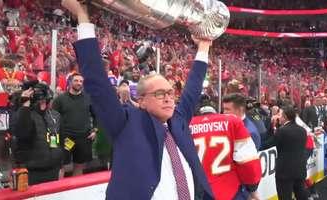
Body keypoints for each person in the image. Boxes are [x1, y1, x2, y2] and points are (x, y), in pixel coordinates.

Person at [62, 0, 213, 199]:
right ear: (141, 100)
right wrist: (82, 17)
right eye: (159, 94)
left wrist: (203, 47)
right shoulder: (126, 122)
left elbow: (193, 87)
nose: (168, 98)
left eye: (170, 93)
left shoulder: (178, 120)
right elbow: (97, 82)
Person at [189, 105, 262, 200]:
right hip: (230, 190)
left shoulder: (186, 125)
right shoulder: (233, 121)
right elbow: (248, 162)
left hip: (199, 191)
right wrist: (252, 189)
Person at [12, 82, 62, 185]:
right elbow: (22, 133)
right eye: (40, 99)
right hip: (31, 170)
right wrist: (25, 104)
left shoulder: (55, 115)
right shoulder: (23, 114)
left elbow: (63, 137)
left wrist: (62, 160)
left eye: (44, 99)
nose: (42, 102)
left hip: (53, 169)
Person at [52, 73, 97, 177]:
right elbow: (52, 118)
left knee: (79, 165)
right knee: (61, 165)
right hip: (66, 139)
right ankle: (58, 191)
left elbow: (96, 116)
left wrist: (95, 130)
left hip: (83, 138)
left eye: (81, 81)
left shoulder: (88, 98)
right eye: (76, 80)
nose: (79, 83)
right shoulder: (60, 99)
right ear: (70, 82)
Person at [222, 93, 261, 199]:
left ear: (239, 110)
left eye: (227, 109)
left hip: (239, 190)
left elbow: (247, 165)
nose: (224, 113)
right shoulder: (229, 125)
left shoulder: (249, 132)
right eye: (223, 109)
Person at [274, 106, 309, 200]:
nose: (278, 117)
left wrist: (273, 127)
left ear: (285, 116)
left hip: (285, 172)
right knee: (301, 195)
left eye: (280, 115)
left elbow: (270, 144)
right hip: (300, 169)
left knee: (285, 196)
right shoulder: (302, 130)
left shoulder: (282, 131)